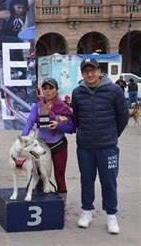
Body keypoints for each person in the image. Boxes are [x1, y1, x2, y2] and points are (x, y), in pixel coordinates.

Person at [72, 58, 129, 234]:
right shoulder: (77, 93)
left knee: (109, 181)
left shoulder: (115, 90)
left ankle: (111, 215)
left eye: (93, 70)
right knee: (86, 180)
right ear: (82, 73)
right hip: (85, 146)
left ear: (99, 71)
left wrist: (112, 135)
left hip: (108, 146)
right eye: (86, 71)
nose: (90, 74)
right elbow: (77, 117)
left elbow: (123, 117)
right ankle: (86, 211)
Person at [22, 77, 75, 223]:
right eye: (45, 88)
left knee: (59, 176)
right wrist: (22, 137)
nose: (48, 91)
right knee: (38, 175)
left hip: (58, 145)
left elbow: (71, 128)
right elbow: (30, 121)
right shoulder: (37, 106)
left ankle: (61, 210)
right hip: (41, 146)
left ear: (56, 90)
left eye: (51, 88)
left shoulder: (63, 107)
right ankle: (40, 207)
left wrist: (58, 126)